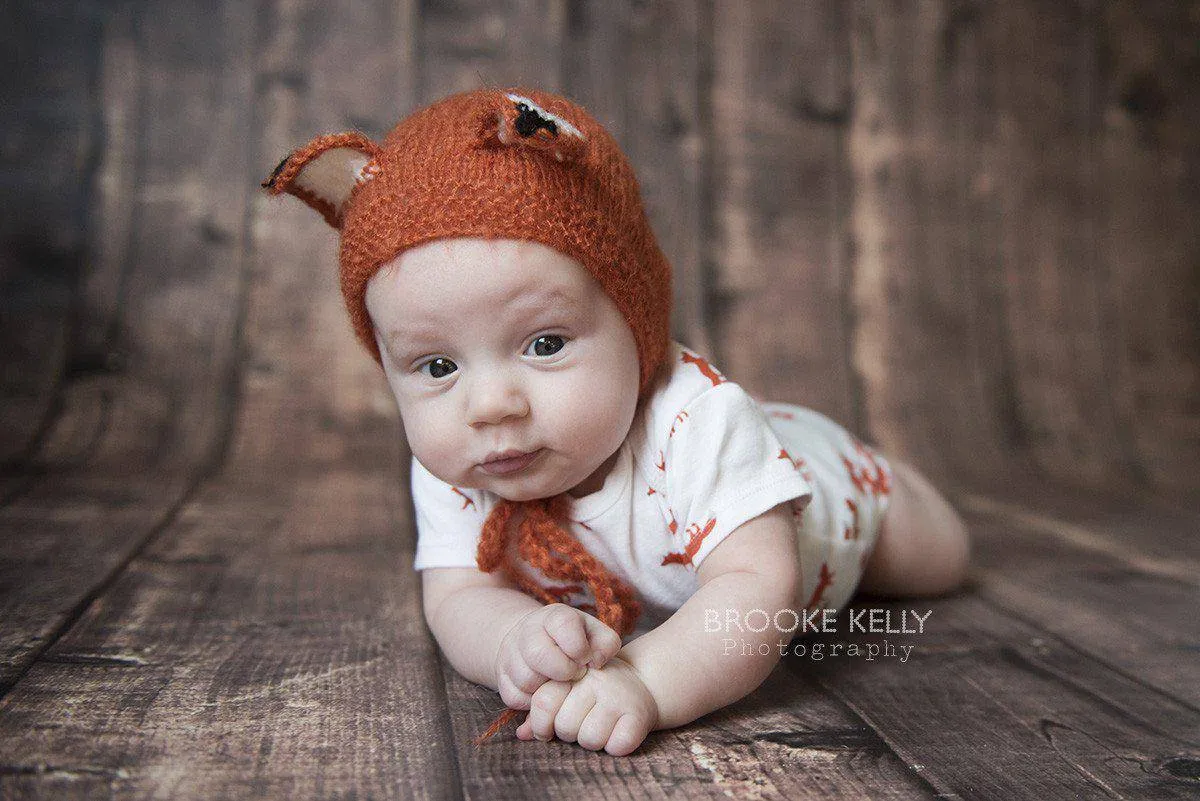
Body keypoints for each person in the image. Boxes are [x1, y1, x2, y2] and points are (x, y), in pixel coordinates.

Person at [263, 87, 971, 757]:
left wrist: (646, 680)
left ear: (638, 327)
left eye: (545, 344)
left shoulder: (699, 421)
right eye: (437, 366)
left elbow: (755, 593)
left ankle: (895, 479)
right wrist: (516, 635)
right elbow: (457, 595)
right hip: (748, 474)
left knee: (938, 561)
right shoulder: (459, 462)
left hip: (831, 492)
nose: (488, 405)